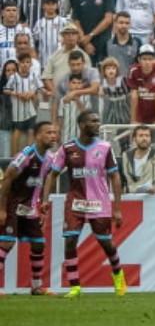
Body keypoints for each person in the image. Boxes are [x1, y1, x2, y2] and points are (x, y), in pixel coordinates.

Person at [41, 110, 125, 298]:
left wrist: (117, 208)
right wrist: (45, 200)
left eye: (98, 120)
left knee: (106, 243)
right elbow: (52, 174)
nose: (97, 124)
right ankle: (75, 286)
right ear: (81, 124)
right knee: (70, 241)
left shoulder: (105, 147)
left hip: (99, 202)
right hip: (75, 202)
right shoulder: (67, 148)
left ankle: (118, 273)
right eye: (93, 121)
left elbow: (115, 176)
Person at [0, 120, 58, 295]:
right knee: (6, 243)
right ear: (38, 135)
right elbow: (7, 179)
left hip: (29, 208)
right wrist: (1, 209)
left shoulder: (49, 158)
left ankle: (36, 286)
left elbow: (46, 180)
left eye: (54, 133)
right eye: (48, 133)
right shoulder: (26, 155)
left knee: (39, 244)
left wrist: (43, 202)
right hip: (12, 205)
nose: (53, 136)